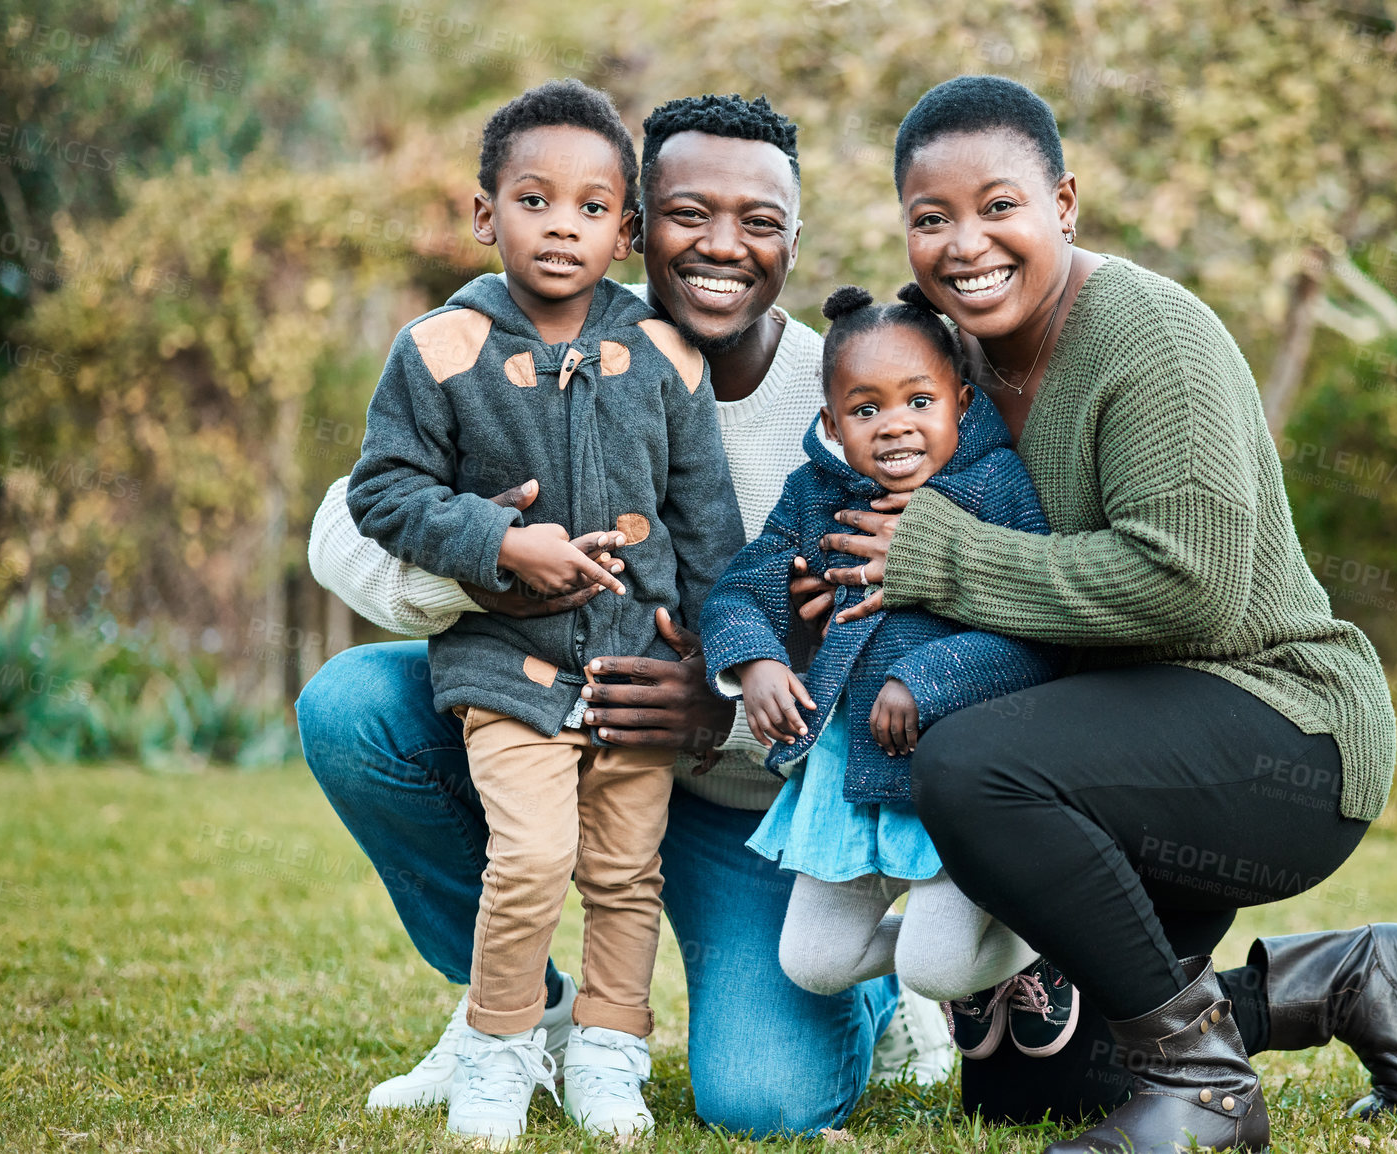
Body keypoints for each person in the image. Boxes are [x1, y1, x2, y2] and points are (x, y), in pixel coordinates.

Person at [809, 75, 1397, 1153]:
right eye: (932, 219)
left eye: (999, 205)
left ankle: (1207, 1089)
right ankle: (1347, 977)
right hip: (1111, 747)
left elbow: (1189, 582)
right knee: (1037, 1085)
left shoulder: (1152, 338)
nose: (966, 244)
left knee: (969, 765)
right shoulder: (945, 365)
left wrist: (943, 557)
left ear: (1063, 202)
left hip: (1278, 723)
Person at [298, 92, 952, 1139]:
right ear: (640, 224)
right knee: (352, 706)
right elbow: (344, 521)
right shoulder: (509, 337)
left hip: (747, 797)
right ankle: (517, 1016)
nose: (723, 246)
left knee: (763, 1098)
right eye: (691, 213)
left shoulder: (854, 391)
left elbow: (910, 629)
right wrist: (497, 568)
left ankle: (877, 991)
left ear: (794, 237)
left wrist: (719, 712)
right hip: (545, 702)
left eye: (761, 222)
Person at [345, 78, 746, 1143]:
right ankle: (500, 1044)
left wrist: (714, 641)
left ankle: (612, 1051)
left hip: (630, 672)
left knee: (624, 872)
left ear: (625, 231)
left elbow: (704, 517)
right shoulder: (440, 348)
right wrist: (492, 541)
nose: (561, 224)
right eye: (534, 200)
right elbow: (380, 490)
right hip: (506, 668)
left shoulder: (664, 355)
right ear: (487, 215)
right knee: (527, 859)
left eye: (590, 206)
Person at [700, 283, 1063, 1040]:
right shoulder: (815, 496)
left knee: (937, 967)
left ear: (960, 402)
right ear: (832, 423)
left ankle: (1050, 943)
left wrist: (922, 679)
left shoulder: (993, 488)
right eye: (865, 410)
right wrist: (757, 662)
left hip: (956, 770)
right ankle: (936, 972)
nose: (894, 426)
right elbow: (744, 585)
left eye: (918, 401)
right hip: (846, 771)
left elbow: (1039, 633)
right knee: (814, 962)